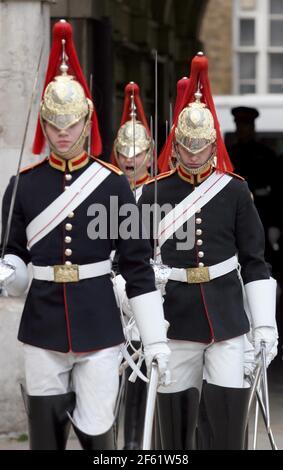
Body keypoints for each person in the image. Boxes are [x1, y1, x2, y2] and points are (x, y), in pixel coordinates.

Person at [0, 20, 170, 450]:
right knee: (46, 435)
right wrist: (9, 273)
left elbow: (136, 265)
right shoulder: (23, 184)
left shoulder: (111, 185)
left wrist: (154, 337)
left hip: (98, 322)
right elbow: (13, 252)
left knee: (98, 435)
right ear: (44, 122)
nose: (62, 132)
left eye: (71, 123)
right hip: (42, 323)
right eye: (54, 123)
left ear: (86, 121)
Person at [138, 52, 278, 450]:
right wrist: (142, 323)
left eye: (202, 146)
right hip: (175, 318)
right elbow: (138, 262)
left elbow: (254, 261)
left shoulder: (234, 190)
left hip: (227, 318)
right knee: (175, 433)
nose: (194, 153)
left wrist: (264, 323)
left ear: (213, 143)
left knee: (227, 427)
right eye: (188, 145)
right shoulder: (154, 192)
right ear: (177, 144)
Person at [111, 81, 153, 449]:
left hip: (147, 293)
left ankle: (137, 444)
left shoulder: (159, 194)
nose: (130, 156)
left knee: (144, 374)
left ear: (151, 156)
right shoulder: (104, 191)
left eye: (138, 151)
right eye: (124, 149)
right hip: (110, 295)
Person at [228, 106, 279, 265]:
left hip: (261, 214)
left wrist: (275, 224)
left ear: (253, 127)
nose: (241, 129)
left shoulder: (266, 155)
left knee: (263, 259)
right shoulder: (230, 154)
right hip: (233, 215)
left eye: (245, 125)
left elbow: (277, 193)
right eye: (239, 125)